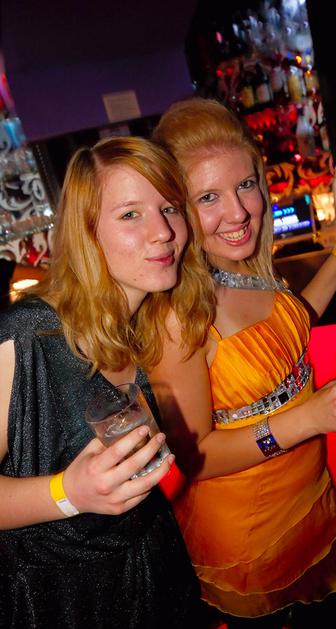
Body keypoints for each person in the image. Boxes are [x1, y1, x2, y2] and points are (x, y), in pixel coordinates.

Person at [149, 98, 336, 628]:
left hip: (319, 511)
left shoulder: (242, 270)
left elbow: (290, 323)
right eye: (208, 197)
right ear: (177, 209)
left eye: (245, 185)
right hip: (252, 551)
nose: (238, 213)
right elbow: (196, 457)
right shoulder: (179, 315)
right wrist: (311, 417)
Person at [0, 136, 211, 628]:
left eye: (169, 208)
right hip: (61, 604)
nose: (163, 232)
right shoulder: (27, 336)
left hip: (156, 580)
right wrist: (68, 492)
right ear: (87, 232)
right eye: (130, 214)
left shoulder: (142, 328)